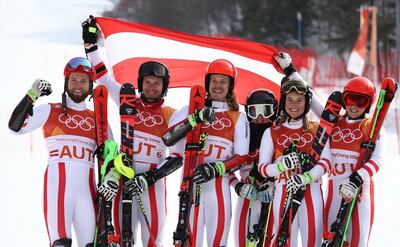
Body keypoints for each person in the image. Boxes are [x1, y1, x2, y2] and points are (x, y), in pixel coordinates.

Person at [82, 16, 186, 246]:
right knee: (120, 239)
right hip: (123, 178)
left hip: (152, 185)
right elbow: (103, 77)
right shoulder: (128, 102)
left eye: (157, 83)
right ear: (140, 82)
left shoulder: (172, 114)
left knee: (153, 239)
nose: (151, 86)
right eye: (147, 82)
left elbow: (178, 158)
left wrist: (149, 177)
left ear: (164, 87)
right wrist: (90, 46)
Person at [8, 57, 98, 247]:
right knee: (60, 243)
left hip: (88, 194)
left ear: (91, 85)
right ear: (66, 82)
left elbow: (112, 154)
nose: (78, 85)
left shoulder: (98, 119)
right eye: (74, 80)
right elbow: (14, 127)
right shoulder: (49, 110)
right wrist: (32, 95)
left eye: (83, 81)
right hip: (58, 190)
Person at [166, 59, 250, 246]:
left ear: (230, 86)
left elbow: (242, 157)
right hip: (190, 185)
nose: (218, 86)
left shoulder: (238, 117)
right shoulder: (190, 109)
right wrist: (194, 119)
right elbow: (168, 138)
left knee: (217, 241)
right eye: (214, 81)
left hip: (218, 188)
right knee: (189, 241)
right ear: (207, 83)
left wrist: (215, 168)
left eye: (223, 82)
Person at [257, 77, 331, 247]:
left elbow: (326, 162)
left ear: (307, 103)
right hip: (283, 190)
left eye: (299, 100)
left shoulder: (316, 129)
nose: (294, 104)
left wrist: (306, 177)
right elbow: (263, 168)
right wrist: (281, 166)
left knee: (312, 241)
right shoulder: (272, 132)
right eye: (289, 99)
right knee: (284, 243)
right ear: (283, 102)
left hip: (311, 192)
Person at [324, 76, 383, 246]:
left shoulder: (372, 126)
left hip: (359, 190)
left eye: (361, 101)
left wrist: (358, 177)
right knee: (331, 238)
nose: (354, 105)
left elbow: (378, 159)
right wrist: (291, 71)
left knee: (357, 240)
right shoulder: (333, 123)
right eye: (350, 99)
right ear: (344, 99)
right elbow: (312, 99)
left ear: (369, 103)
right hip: (334, 189)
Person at [231, 89, 277, 247]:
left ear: (274, 111)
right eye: (253, 111)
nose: (260, 117)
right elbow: (225, 167)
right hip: (246, 199)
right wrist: (237, 186)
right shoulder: (242, 134)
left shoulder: (279, 134)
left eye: (266, 111)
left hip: (271, 202)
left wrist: (274, 186)